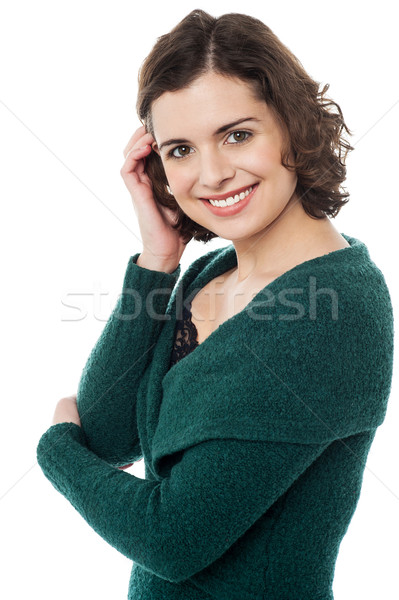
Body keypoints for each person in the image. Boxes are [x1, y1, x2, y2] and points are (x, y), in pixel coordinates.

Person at [37, 9, 394, 600]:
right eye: (180, 149)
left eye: (237, 134)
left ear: (292, 125)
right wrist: (156, 261)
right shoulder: (210, 272)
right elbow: (106, 435)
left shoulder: (333, 310)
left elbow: (171, 540)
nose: (213, 174)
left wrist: (54, 452)